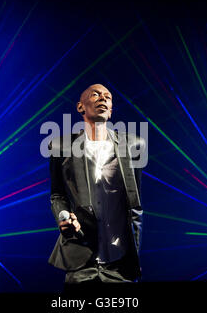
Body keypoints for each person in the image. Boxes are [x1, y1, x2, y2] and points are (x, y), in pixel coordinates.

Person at [47, 83, 145, 289]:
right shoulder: (60, 146)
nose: (103, 98)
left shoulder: (134, 146)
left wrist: (134, 245)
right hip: (79, 255)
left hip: (120, 260)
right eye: (95, 95)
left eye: (108, 97)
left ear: (110, 111)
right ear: (80, 107)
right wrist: (63, 216)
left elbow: (135, 201)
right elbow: (57, 194)